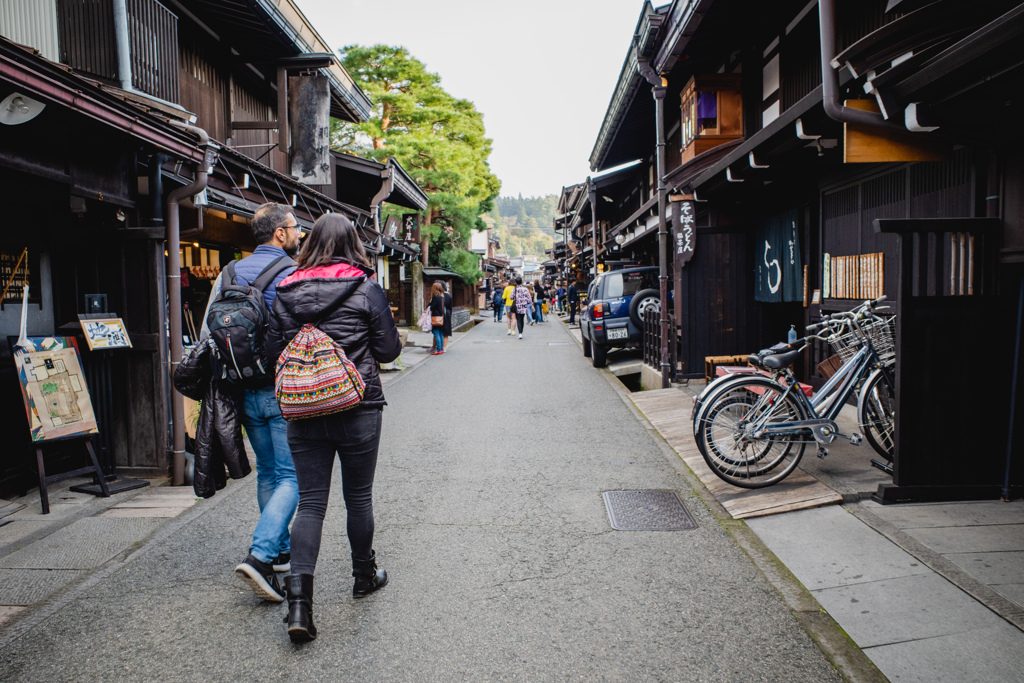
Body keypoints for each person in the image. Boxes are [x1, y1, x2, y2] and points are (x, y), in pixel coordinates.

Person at [266, 213, 402, 643]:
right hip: (358, 406)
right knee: (357, 497)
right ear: (352, 245)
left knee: (310, 504)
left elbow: (272, 350)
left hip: (304, 410)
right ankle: (363, 575)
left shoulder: (284, 292)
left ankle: (300, 607)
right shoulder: (365, 288)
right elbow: (389, 349)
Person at [228, 203, 300, 604]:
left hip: (242, 389)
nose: (299, 234)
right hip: (281, 387)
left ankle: (281, 553)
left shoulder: (229, 272)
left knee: (268, 472)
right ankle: (260, 555)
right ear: (279, 234)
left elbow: (211, 329)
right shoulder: (290, 274)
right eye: (295, 228)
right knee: (293, 476)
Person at [428, 281, 445, 355]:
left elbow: (432, 307)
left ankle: (438, 349)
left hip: (436, 318)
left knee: (436, 333)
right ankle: (441, 349)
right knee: (440, 333)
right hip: (441, 317)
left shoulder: (435, 297)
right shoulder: (442, 297)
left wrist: (430, 302)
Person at [442, 281, 453, 351]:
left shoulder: (440, 296)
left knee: (439, 332)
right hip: (447, 314)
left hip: (440, 315)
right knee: (446, 332)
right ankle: (444, 347)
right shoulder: (449, 296)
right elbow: (450, 307)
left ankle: (439, 347)